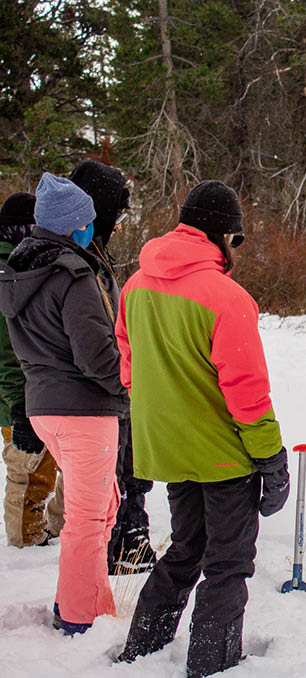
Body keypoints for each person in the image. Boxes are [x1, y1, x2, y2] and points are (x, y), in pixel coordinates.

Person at [115, 180, 288, 678]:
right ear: (223, 236)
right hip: (223, 454)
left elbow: (129, 367)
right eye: (238, 240)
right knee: (228, 563)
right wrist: (272, 459)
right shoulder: (226, 296)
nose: (238, 251)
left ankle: (141, 650)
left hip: (168, 450)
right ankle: (213, 663)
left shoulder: (135, 286)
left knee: (186, 549)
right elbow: (248, 395)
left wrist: (162, 412)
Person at [0, 174, 127, 634]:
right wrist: (127, 385)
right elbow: (96, 353)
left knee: (100, 508)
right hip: (83, 409)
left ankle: (86, 599)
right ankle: (79, 616)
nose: (94, 227)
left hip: (45, 405)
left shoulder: (22, 271)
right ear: (75, 225)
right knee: (89, 521)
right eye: (89, 221)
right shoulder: (71, 274)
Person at [70, 158, 157, 574]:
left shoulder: (94, 253)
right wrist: (123, 379)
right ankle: (122, 545)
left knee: (130, 464)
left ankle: (129, 540)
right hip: (99, 390)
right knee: (116, 472)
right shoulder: (78, 261)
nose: (121, 223)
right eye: (116, 214)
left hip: (113, 384)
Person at [0, 192, 62, 547]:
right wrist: (18, 405)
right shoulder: (10, 271)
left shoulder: (21, 266)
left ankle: (35, 529)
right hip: (16, 393)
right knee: (29, 468)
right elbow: (6, 353)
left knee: (42, 465)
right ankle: (24, 538)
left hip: (29, 389)